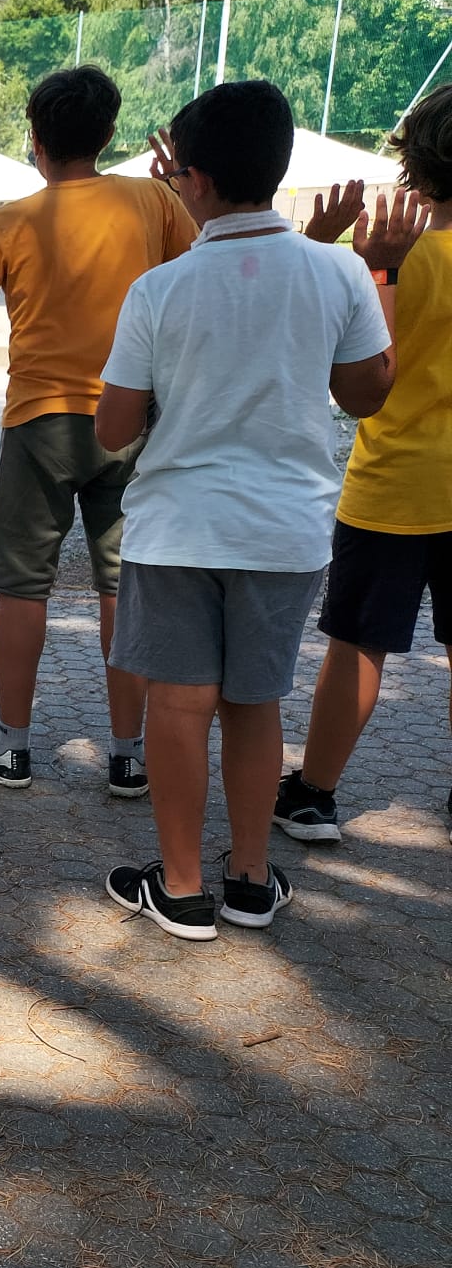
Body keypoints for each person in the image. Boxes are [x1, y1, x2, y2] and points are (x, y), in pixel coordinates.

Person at [93, 80, 394, 942]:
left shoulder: (159, 289)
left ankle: (182, 889)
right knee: (255, 705)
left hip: (177, 529)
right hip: (285, 532)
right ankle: (252, 881)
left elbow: (113, 428)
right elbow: (366, 393)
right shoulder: (339, 270)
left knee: (179, 704)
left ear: (193, 179)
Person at [0, 66, 195, 798]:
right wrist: (178, 195)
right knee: (123, 587)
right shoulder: (153, 201)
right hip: (131, 419)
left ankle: (12, 746)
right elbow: (198, 276)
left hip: (38, 423)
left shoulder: (7, 223)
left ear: (35, 139)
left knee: (23, 587)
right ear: (108, 133)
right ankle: (128, 755)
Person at [275, 86, 451, 845]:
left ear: (416, 159)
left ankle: (313, 794)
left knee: (358, 642)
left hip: (395, 487)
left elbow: (356, 378)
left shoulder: (385, 262)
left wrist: (366, 265)